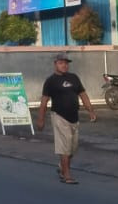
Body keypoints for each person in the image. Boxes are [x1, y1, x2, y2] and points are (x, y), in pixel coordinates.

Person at [36, 54, 97, 184]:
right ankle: (66, 174)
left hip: (74, 117)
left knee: (72, 147)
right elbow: (44, 101)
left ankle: (62, 166)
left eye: (66, 63)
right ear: (55, 64)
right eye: (61, 63)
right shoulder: (51, 81)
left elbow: (83, 94)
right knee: (65, 146)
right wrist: (40, 119)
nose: (64, 65)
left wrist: (90, 110)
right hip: (59, 116)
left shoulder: (73, 78)